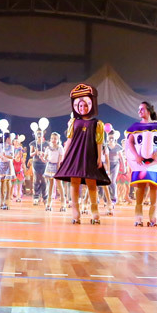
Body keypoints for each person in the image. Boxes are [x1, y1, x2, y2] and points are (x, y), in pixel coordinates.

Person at [53, 83, 110, 224]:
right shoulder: (73, 122)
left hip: (89, 154)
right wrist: (64, 156)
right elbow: (69, 140)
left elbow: (99, 142)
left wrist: (99, 158)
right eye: (80, 106)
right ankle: (75, 213)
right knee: (75, 182)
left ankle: (94, 212)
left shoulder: (97, 123)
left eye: (85, 105)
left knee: (91, 182)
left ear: (90, 105)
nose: (82, 108)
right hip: (74, 154)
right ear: (76, 107)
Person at [125, 101, 157, 227]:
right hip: (140, 163)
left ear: (148, 111)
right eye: (139, 109)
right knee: (140, 188)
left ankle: (153, 218)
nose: (139, 111)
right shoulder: (135, 126)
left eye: (142, 109)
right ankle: (138, 218)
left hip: (154, 163)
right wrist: (136, 156)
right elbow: (130, 142)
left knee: (154, 187)